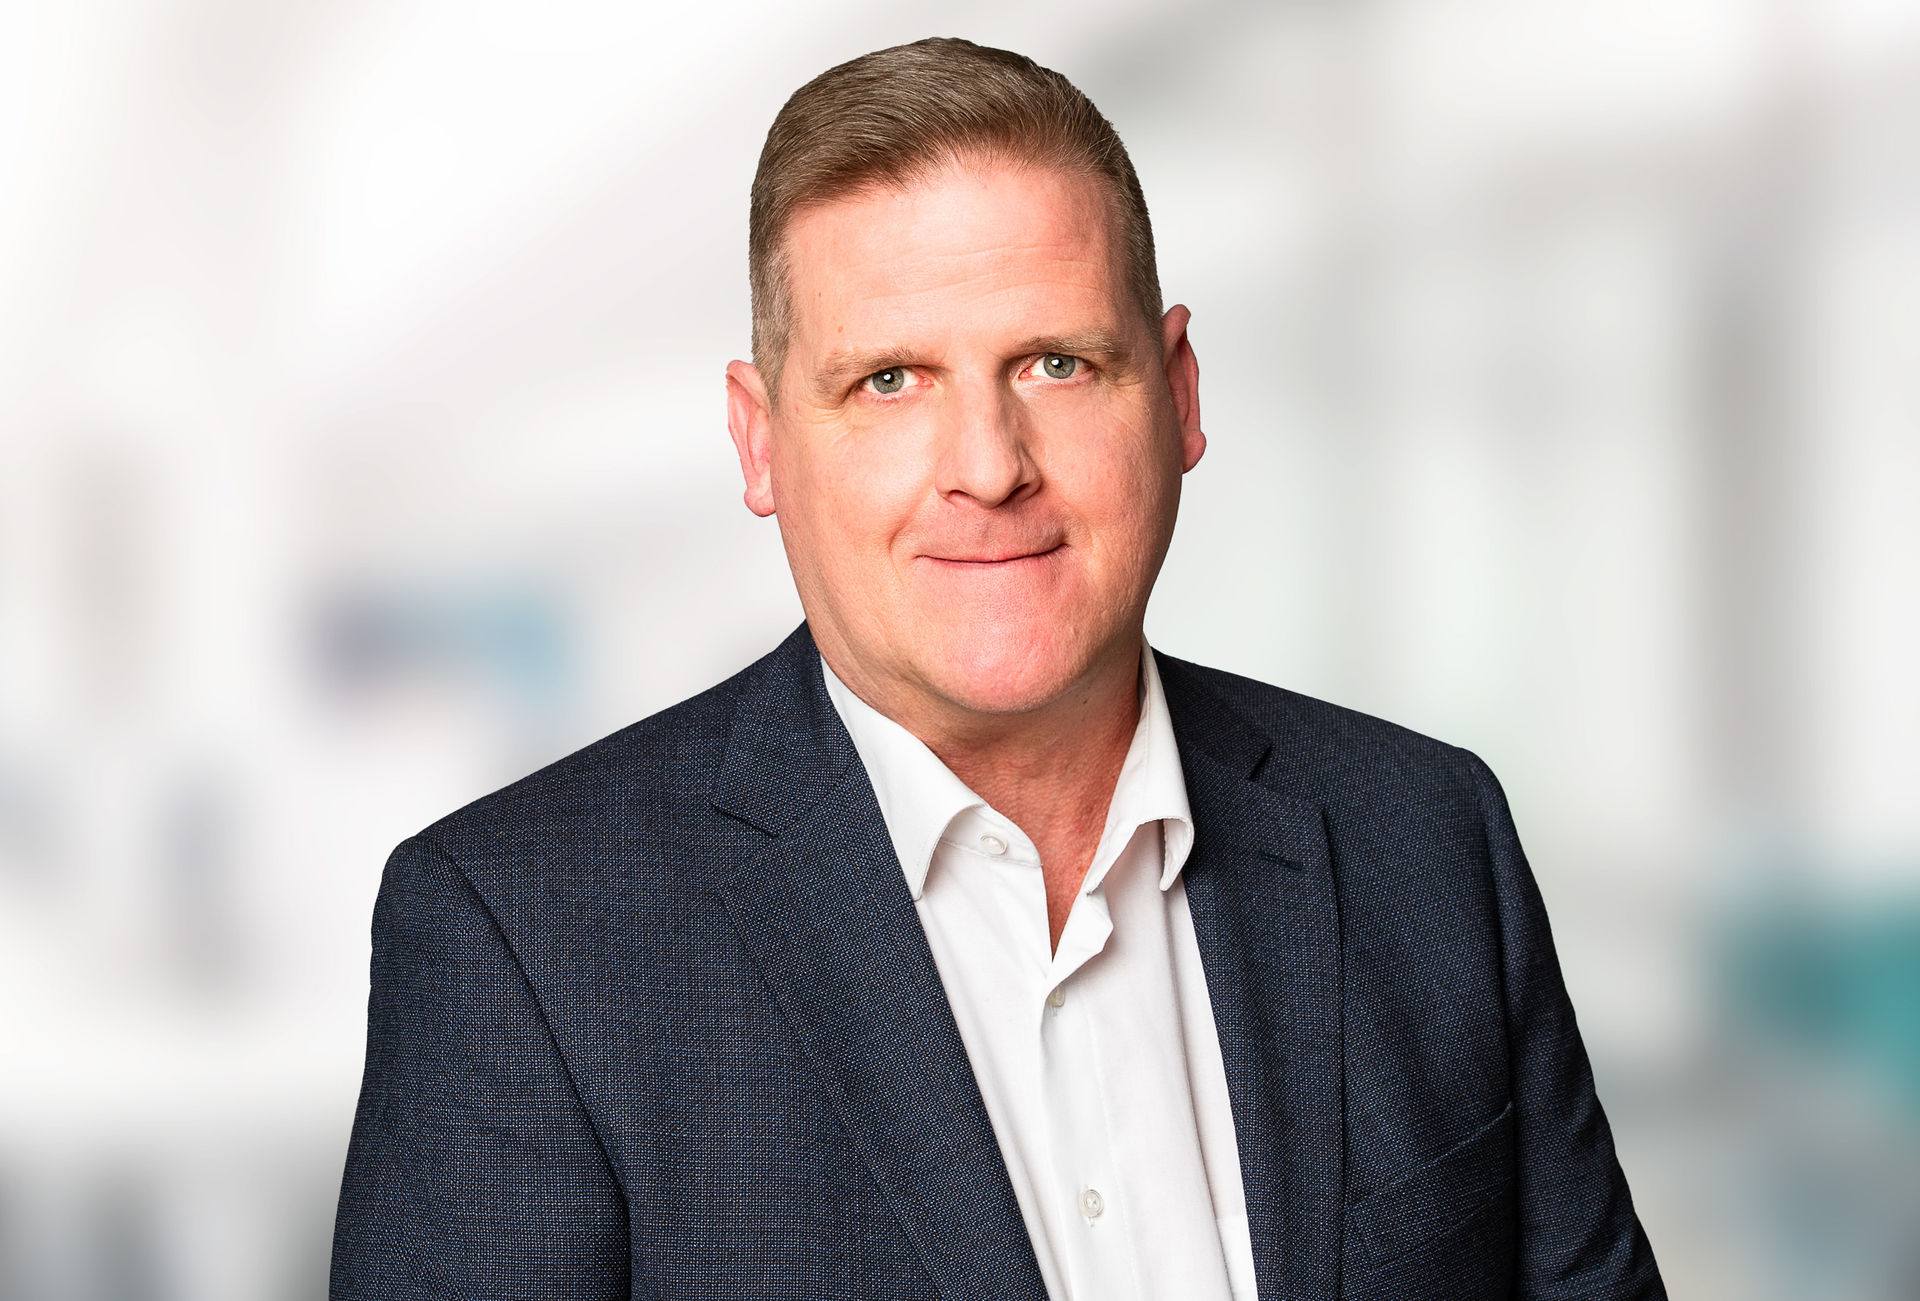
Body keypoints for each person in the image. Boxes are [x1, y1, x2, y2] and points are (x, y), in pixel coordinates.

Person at [330, 37, 1665, 1301]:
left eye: (1056, 363)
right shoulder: (523, 938)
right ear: (760, 440)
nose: (988, 465)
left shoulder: (1425, 838)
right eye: (890, 381)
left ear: (1180, 394)